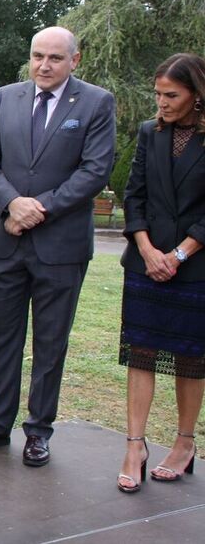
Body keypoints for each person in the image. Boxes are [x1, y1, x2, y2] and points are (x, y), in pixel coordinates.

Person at [0, 26, 116, 467]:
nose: (44, 65)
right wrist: (12, 203)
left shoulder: (96, 103)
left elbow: (95, 171)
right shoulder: (6, 98)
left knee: (50, 343)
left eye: (55, 58)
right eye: (37, 56)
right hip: (6, 243)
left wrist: (38, 208)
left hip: (60, 248)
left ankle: (38, 431)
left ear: (74, 61)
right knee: (1, 338)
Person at [115, 53, 205, 493]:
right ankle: (135, 446)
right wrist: (148, 250)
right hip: (145, 266)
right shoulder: (150, 133)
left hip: (195, 268)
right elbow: (134, 196)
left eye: (172, 95)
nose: (162, 103)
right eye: (158, 94)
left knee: (190, 359)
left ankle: (185, 444)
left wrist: (180, 254)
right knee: (141, 354)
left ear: (196, 95)